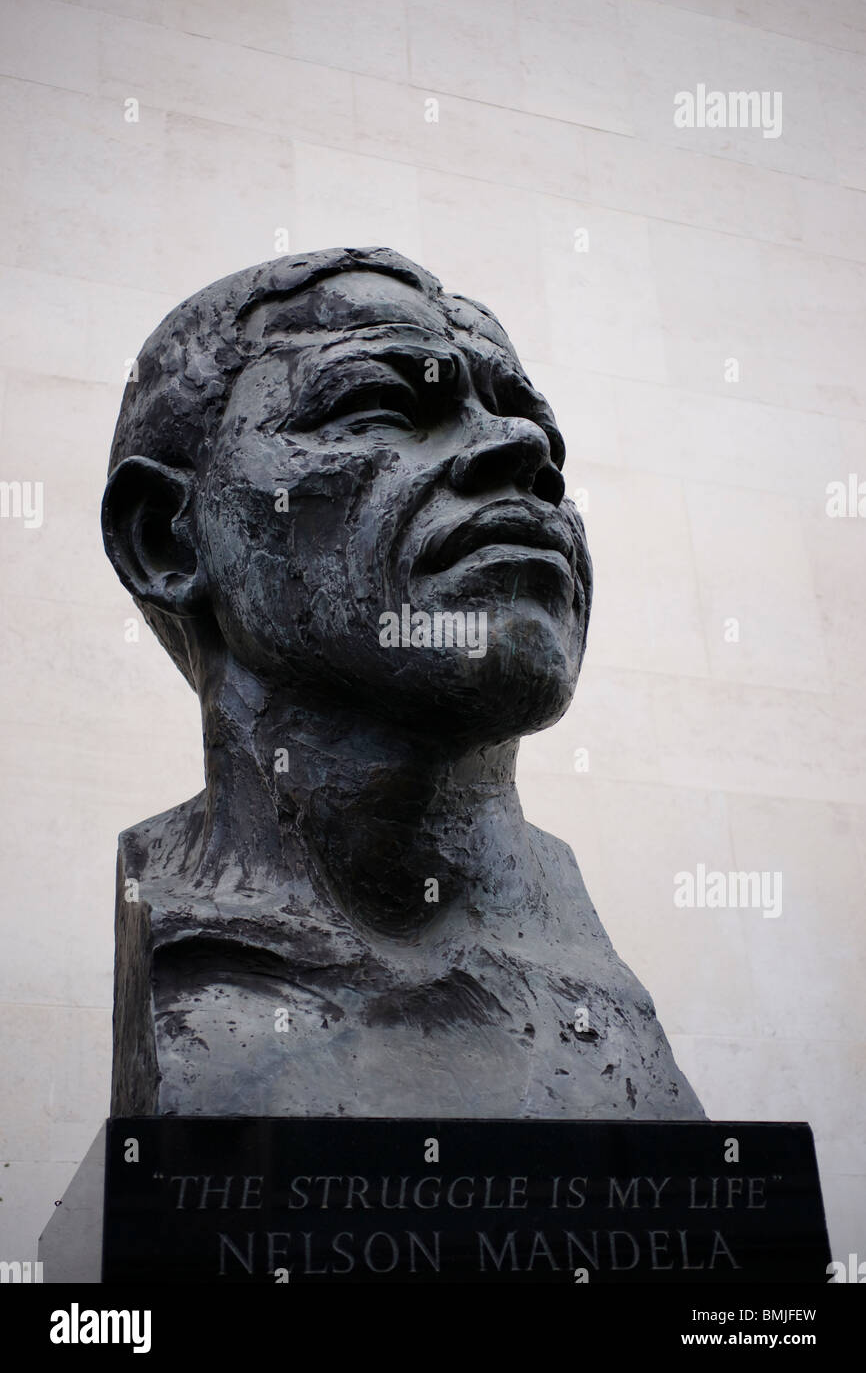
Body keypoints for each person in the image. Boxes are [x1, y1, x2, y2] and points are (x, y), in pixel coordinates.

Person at [102, 246, 703, 1120]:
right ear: (167, 539)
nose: (522, 448)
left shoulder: (590, 976)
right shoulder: (187, 950)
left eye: (540, 432)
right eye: (382, 406)